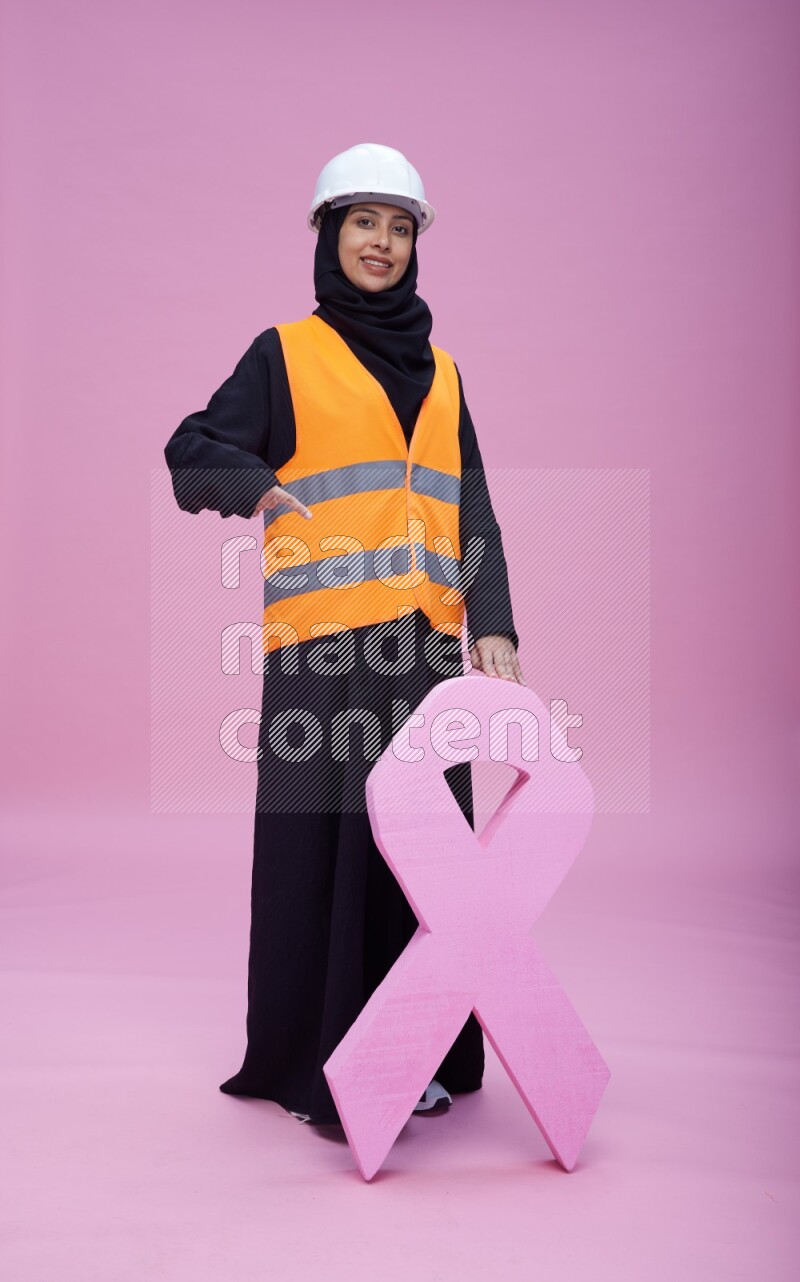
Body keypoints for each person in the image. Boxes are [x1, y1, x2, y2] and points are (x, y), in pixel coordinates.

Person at [164, 142, 524, 1127]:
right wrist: (252, 484)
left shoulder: (443, 370)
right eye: (363, 221)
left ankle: (418, 1056)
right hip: (326, 648)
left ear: (416, 246)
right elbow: (191, 446)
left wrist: (491, 625)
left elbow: (472, 507)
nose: (382, 242)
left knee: (424, 857)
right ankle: (316, 1063)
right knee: (323, 850)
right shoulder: (285, 351)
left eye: (399, 227)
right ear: (328, 234)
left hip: (422, 646)